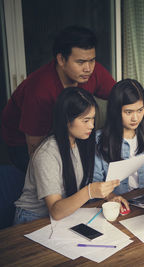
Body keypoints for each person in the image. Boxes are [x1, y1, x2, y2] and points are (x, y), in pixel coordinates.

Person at [1, 25, 116, 173]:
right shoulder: (39, 92)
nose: (88, 68)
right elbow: (35, 150)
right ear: (61, 60)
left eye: (92, 60)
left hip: (66, 133)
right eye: (80, 62)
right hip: (22, 143)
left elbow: (120, 96)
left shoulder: (92, 71)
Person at [14, 87, 124, 224]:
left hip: (65, 215)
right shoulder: (47, 154)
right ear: (67, 120)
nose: (92, 126)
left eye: (93, 119)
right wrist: (89, 191)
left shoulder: (81, 142)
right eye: (85, 120)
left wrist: (110, 196)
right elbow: (56, 211)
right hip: (32, 220)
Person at [94, 79, 144, 195]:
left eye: (140, 110)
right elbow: (95, 182)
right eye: (128, 112)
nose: (135, 118)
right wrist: (111, 197)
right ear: (115, 111)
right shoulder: (98, 140)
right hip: (118, 204)